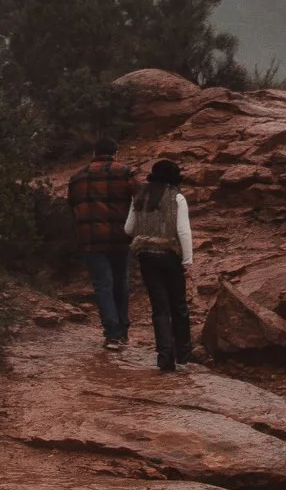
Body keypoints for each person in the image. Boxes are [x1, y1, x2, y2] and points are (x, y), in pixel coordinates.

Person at [124, 158, 194, 372]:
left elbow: (128, 229)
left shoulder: (140, 195)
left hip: (146, 257)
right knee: (179, 306)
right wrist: (188, 260)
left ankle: (165, 358)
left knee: (159, 307)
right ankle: (183, 357)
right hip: (170, 255)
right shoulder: (177, 197)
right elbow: (183, 231)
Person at [66, 136, 136, 349]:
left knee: (103, 285)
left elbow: (72, 206)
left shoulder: (77, 177)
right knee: (121, 282)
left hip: (91, 240)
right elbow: (140, 201)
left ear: (94, 153)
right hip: (120, 238)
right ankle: (123, 331)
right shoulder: (125, 172)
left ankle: (112, 335)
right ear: (116, 153)